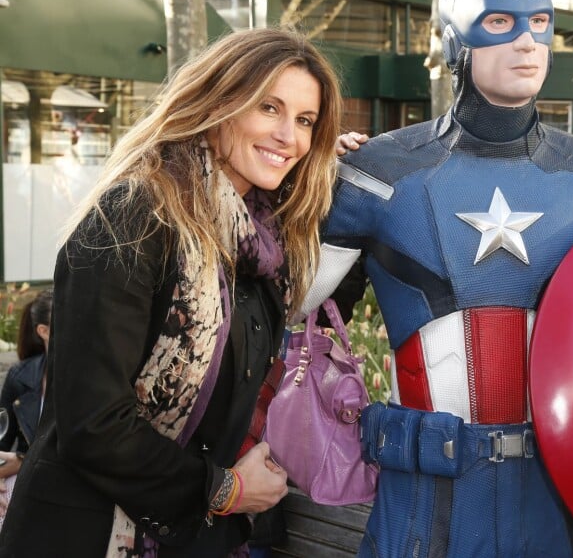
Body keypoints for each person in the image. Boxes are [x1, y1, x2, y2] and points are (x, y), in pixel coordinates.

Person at [0, 27, 342, 558]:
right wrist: (224, 491)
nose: (289, 137)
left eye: (305, 121)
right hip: (89, 536)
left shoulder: (263, 244)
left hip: (202, 541)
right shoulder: (136, 214)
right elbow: (92, 422)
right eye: (268, 108)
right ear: (220, 102)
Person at [301, 0, 573, 556]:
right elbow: (281, 310)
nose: (527, 43)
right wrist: (300, 188)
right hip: (426, 503)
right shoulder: (380, 171)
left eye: (540, 23)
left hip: (557, 498)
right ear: (456, 39)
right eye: (500, 22)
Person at [0, 288, 53, 514]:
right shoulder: (20, 377)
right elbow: (1, 439)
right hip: (23, 487)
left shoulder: (93, 377)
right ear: (43, 331)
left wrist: (22, 462)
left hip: (67, 490)